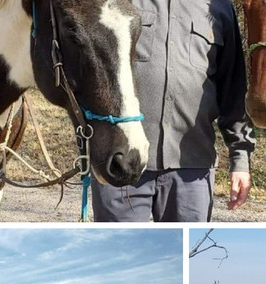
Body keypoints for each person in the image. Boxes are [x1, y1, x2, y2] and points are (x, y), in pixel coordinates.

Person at [91, 0, 254, 222]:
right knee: (120, 252)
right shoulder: (120, 2)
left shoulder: (219, 7)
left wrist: (240, 160)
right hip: (122, 160)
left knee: (186, 252)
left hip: (192, 166)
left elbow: (233, 91)